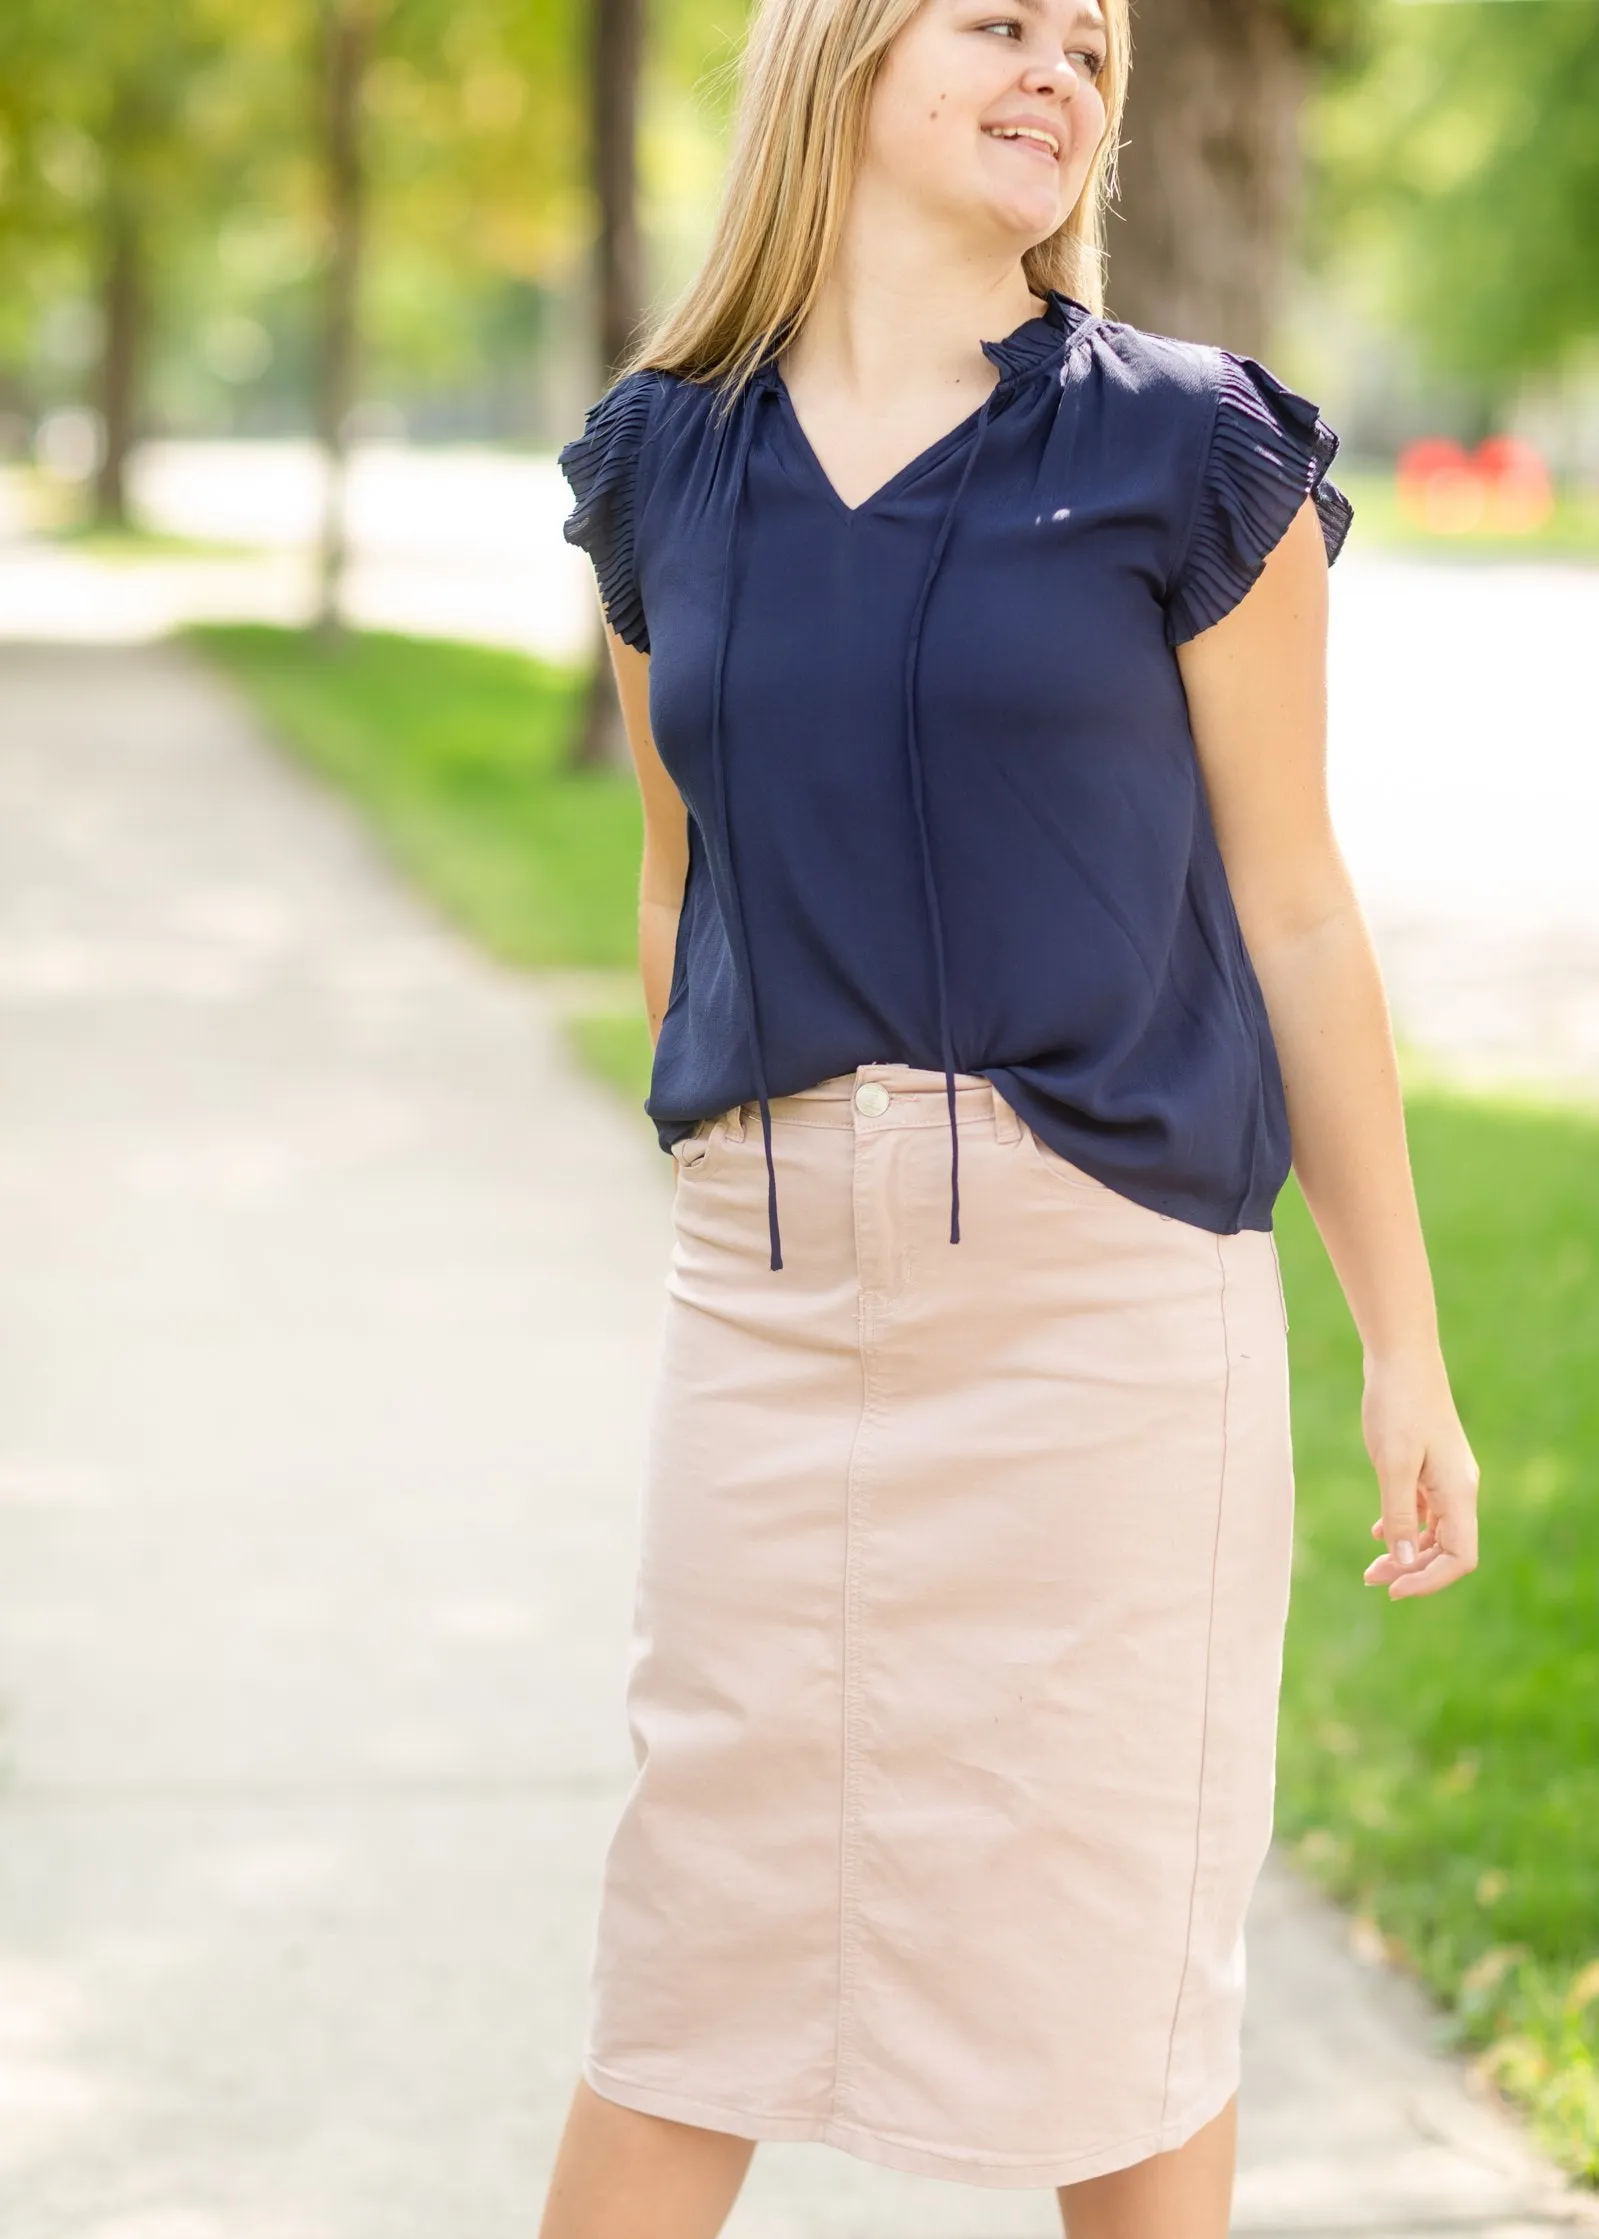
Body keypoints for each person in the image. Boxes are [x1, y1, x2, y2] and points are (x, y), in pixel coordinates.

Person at [542, 1, 1481, 2233]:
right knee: (694, 1958)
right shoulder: (661, 465)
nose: (1059, 65)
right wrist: (749, 1191)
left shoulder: (1189, 453)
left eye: (1092, 41)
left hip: (1099, 1319)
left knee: (1103, 1994)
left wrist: (1405, 1348)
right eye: (998, 20)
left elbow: (1294, 910)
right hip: (771, 1315)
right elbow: (681, 886)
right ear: (843, 59)